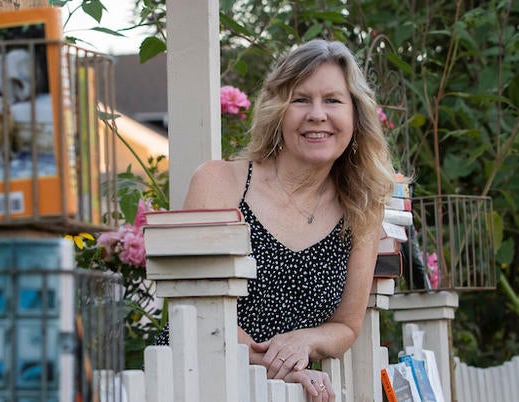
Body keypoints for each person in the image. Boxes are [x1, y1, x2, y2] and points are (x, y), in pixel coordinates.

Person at [166, 39, 395, 401]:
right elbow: (192, 307)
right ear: (278, 111)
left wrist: (305, 340)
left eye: (333, 100)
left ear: (355, 116)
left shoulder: (361, 207)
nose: (317, 114)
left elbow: (347, 325)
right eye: (301, 99)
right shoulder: (220, 183)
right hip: (191, 383)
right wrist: (277, 365)